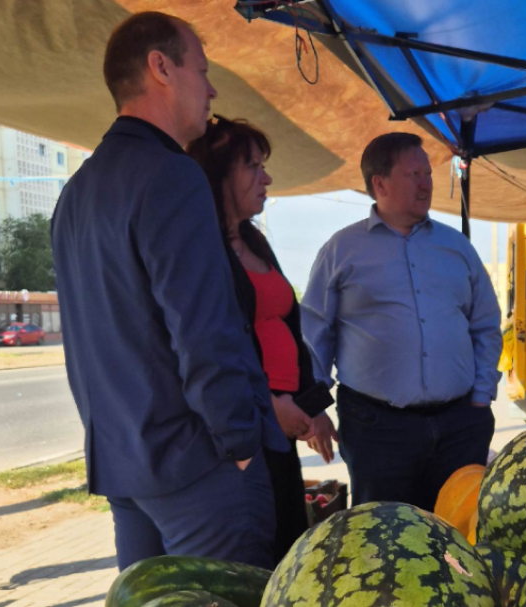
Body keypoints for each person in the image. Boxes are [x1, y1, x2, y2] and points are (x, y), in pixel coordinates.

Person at [51, 12, 288, 571]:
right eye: (202, 71)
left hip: (125, 472)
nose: (209, 90)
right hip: (199, 473)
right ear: (161, 67)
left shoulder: (75, 194)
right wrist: (238, 446)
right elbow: (205, 332)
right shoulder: (171, 174)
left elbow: (87, 347)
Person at [301, 132, 503, 511]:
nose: (426, 183)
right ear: (380, 184)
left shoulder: (456, 247)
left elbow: (485, 325)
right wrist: (314, 409)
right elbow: (314, 333)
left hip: (460, 424)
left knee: (459, 531)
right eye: (414, 174)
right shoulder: (342, 250)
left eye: (427, 173)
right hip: (377, 429)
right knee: (384, 538)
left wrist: (481, 394)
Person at [187, 116, 329, 563]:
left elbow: (289, 327)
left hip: (282, 425)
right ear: (220, 173)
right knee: (258, 552)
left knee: (287, 538)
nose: (266, 178)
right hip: (246, 428)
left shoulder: (253, 239)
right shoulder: (201, 245)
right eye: (252, 166)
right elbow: (214, 347)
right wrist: (270, 406)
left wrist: (312, 407)